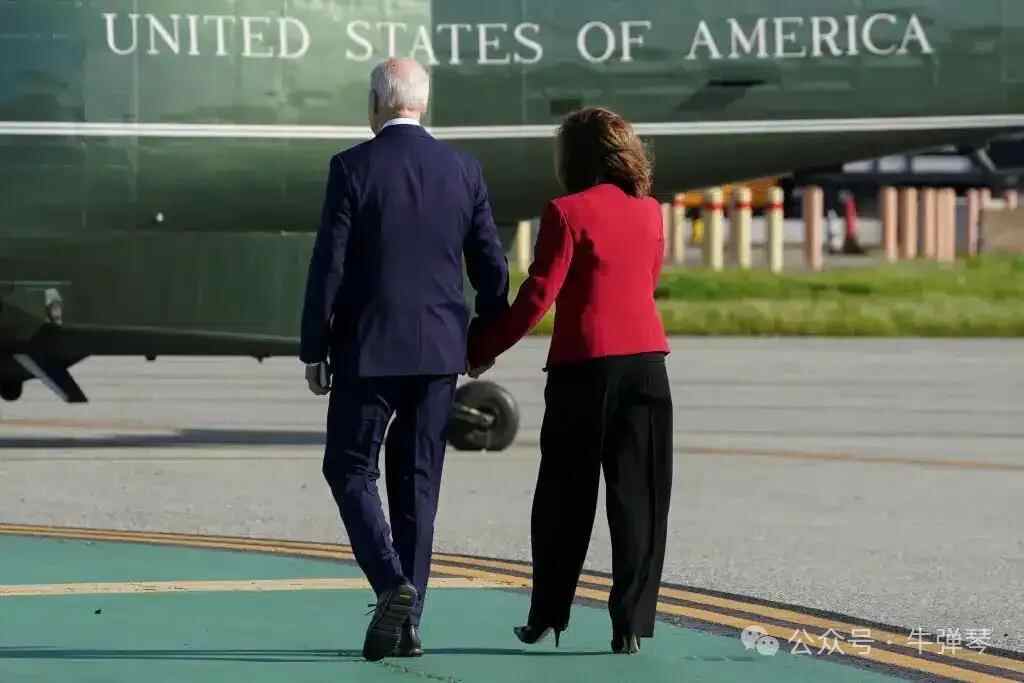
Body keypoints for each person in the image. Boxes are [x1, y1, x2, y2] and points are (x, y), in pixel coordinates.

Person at [300, 58, 509, 662]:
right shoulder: (463, 169)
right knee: (417, 485)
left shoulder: (351, 167)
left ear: (374, 104)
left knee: (349, 469)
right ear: (424, 103)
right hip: (440, 351)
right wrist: (483, 339)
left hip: (368, 349)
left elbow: (329, 265)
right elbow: (491, 266)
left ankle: (391, 584)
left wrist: (314, 346)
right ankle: (409, 625)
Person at [468, 107, 672, 655]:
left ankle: (548, 615)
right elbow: (647, 280)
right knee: (640, 498)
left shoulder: (565, 212)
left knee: (564, 498)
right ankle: (630, 624)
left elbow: (538, 296)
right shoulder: (651, 211)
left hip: (583, 368)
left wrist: (482, 348)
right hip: (648, 365)